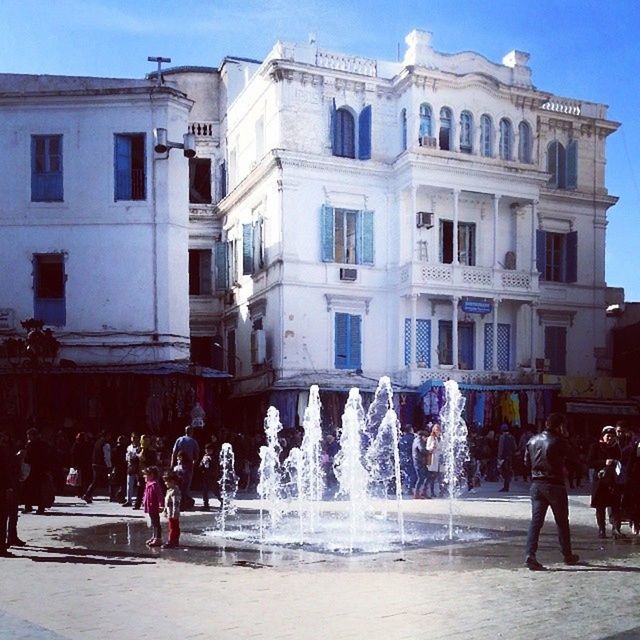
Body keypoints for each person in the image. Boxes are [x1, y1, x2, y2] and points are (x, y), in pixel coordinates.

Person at [523, 412, 580, 570]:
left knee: (536, 522)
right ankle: (567, 555)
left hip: (536, 485)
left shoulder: (532, 440)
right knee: (562, 522)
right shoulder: (559, 441)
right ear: (560, 425)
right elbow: (575, 458)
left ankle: (530, 554)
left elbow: (526, 462)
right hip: (554, 484)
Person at [587, 426, 623, 539]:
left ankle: (616, 528)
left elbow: (620, 460)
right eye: (608, 436)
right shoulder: (595, 447)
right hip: (600, 481)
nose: (610, 438)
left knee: (615, 505)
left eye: (612, 436)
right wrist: (604, 462)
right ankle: (601, 529)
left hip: (613, 481)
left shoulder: (616, 447)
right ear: (603, 436)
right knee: (600, 506)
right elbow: (590, 462)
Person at [171, 426, 200, 508]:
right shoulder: (193, 441)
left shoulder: (179, 440)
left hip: (178, 465)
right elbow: (196, 455)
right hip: (188, 466)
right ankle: (185, 502)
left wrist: (172, 465)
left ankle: (182, 502)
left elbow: (174, 453)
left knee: (178, 485)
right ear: (192, 432)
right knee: (186, 486)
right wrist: (194, 463)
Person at [83, 430, 112, 504]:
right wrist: (109, 466)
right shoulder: (105, 444)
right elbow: (107, 457)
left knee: (96, 481)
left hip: (95, 463)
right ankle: (87, 494)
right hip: (101, 465)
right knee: (108, 479)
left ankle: (87, 494)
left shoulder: (97, 442)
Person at [142, 466, 164, 547]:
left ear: (152, 475)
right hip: (149, 506)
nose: (145, 476)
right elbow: (145, 494)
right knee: (153, 522)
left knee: (156, 523)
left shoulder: (154, 484)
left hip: (154, 506)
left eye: (146, 475)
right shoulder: (148, 484)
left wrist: (161, 505)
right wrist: (143, 501)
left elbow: (160, 495)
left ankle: (158, 538)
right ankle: (154, 537)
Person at [162, 470, 182, 548]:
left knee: (173, 527)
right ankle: (175, 541)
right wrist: (165, 510)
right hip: (170, 513)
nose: (165, 483)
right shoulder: (170, 490)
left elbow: (175, 503)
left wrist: (174, 513)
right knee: (174, 527)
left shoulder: (175, 491)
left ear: (172, 481)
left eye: (167, 481)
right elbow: (167, 503)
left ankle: (171, 541)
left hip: (173, 513)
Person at [199, 442, 220, 510]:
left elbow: (211, 467)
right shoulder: (205, 457)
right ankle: (206, 504)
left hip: (211, 476)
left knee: (215, 490)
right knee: (205, 491)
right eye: (207, 450)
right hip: (206, 476)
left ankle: (222, 501)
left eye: (209, 450)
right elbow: (202, 466)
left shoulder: (213, 458)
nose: (208, 451)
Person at [497, 424, 517, 492]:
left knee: (504, 471)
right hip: (510, 456)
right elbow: (515, 447)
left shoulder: (502, 437)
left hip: (503, 457)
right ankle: (506, 486)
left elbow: (500, 448)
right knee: (507, 471)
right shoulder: (512, 437)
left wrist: (499, 457)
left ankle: (506, 487)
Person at [398, 424, 416, 496]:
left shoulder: (401, 439)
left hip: (403, 458)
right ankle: (409, 488)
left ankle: (404, 487)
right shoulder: (413, 438)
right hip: (411, 458)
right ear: (411, 429)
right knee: (412, 473)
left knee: (405, 473)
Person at [123, 433, 140, 507]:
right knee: (129, 484)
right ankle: (129, 500)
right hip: (130, 466)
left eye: (135, 437)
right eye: (133, 437)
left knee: (139, 485)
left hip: (138, 467)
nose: (134, 439)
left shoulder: (140, 447)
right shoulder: (129, 447)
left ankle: (139, 500)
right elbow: (126, 457)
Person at [411, 430, 430, 498]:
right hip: (419, 461)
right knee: (421, 477)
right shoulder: (419, 440)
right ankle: (417, 493)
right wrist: (429, 451)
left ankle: (422, 492)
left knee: (426, 476)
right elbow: (422, 449)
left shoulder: (416, 440)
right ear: (423, 436)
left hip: (419, 461)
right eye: (425, 437)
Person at [426, 423, 442, 498]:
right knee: (433, 476)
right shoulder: (431, 438)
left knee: (441, 476)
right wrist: (432, 447)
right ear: (433, 430)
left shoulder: (442, 438)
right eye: (436, 429)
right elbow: (427, 448)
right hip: (434, 457)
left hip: (440, 458)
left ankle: (442, 491)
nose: (438, 430)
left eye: (438, 429)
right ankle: (431, 492)